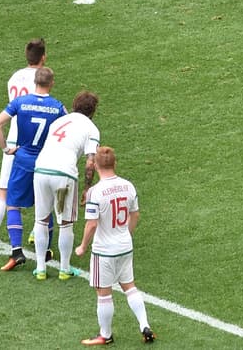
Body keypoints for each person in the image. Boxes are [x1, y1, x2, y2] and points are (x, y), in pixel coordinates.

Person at [76, 147, 156, 345]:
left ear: (95, 166)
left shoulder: (96, 192)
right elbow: (135, 214)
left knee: (103, 293)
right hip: (124, 246)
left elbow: (92, 223)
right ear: (115, 163)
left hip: (104, 251)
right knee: (129, 286)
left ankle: (106, 335)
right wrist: (126, 234)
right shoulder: (128, 186)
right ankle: (144, 325)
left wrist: (83, 246)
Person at [0, 66, 65, 271]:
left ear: (35, 82)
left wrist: (6, 148)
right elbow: (67, 130)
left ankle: (16, 252)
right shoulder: (58, 107)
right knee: (45, 209)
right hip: (45, 162)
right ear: (51, 83)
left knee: (13, 204)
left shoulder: (20, 102)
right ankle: (47, 250)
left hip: (23, 160)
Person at [0, 38, 46, 256]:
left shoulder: (13, 78)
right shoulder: (41, 78)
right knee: (41, 191)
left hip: (12, 140)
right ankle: (37, 234)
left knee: (4, 193)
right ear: (43, 57)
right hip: (34, 144)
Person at [32, 90, 100, 281]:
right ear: (93, 110)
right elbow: (90, 162)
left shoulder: (59, 121)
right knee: (65, 222)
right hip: (63, 175)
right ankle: (64, 268)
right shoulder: (91, 128)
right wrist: (87, 188)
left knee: (41, 220)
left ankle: (40, 268)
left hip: (41, 170)